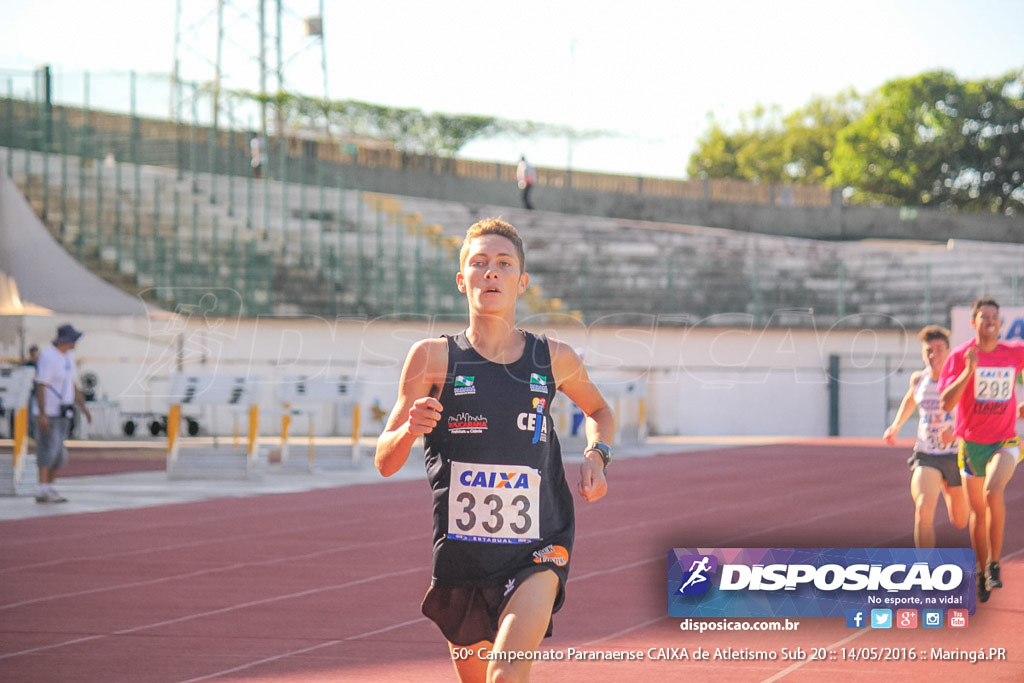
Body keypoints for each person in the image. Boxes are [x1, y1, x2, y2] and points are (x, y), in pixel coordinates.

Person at [375, 217, 614, 682]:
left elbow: (599, 411)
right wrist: (408, 431)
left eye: (504, 264)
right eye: (479, 263)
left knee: (504, 675)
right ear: (462, 279)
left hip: (538, 546)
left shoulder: (553, 358)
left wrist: (596, 456)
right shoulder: (431, 358)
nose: (491, 272)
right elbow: (385, 460)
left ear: (521, 282)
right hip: (463, 555)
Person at [939, 298, 1024, 603]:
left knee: (993, 491)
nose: (990, 320)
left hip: (1005, 441)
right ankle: (980, 570)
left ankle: (995, 564)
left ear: (1000, 324)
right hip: (971, 444)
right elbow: (947, 403)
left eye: (994, 317)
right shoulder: (960, 356)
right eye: (984, 316)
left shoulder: (1015, 353)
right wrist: (968, 372)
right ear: (973, 323)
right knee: (978, 512)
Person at [882, 325, 967, 547]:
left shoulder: (959, 380)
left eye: (939, 349)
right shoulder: (919, 379)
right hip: (927, 454)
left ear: (948, 352)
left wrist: (956, 433)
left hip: (955, 455)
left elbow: (971, 415)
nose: (933, 355)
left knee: (960, 519)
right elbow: (911, 400)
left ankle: (949, 487)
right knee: (923, 508)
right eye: (928, 350)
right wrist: (896, 425)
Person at [32, 324, 92, 504]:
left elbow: (72, 383)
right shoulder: (49, 358)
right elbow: (41, 385)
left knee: (59, 452)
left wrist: (83, 406)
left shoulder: (69, 357)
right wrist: (42, 413)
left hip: (63, 411)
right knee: (47, 449)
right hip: (48, 411)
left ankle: (50, 486)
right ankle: (42, 488)